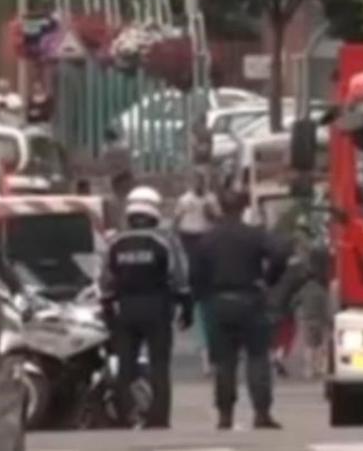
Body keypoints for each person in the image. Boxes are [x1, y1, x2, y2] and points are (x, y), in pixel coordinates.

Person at [191, 189, 287, 430]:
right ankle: (262, 413)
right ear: (244, 208)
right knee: (257, 358)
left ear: (220, 208)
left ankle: (225, 415)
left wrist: (204, 295)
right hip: (250, 298)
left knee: (224, 362)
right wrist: (269, 278)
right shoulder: (254, 235)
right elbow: (280, 252)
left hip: (219, 301)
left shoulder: (208, 239)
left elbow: (195, 274)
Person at [100, 186, 193, 429]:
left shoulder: (115, 243)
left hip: (126, 310)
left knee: (125, 366)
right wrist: (186, 306)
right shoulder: (164, 241)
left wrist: (109, 308)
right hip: (158, 308)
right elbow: (179, 277)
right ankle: (158, 419)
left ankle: (123, 416)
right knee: (159, 365)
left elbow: (106, 281)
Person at [174, 172, 222, 374]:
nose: (198, 184)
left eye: (201, 181)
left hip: (206, 234)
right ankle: (192, 293)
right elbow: (177, 219)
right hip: (189, 236)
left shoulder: (211, 199)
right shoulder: (185, 200)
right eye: (195, 181)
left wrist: (209, 210)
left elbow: (218, 218)